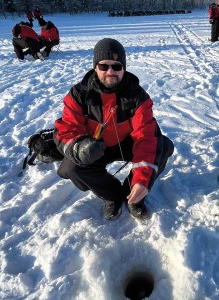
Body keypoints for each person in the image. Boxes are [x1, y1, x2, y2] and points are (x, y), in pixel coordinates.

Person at [54, 38, 174, 221]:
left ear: (124, 68)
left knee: (162, 145)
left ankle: (133, 195)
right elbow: (67, 130)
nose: (110, 72)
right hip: (95, 147)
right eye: (104, 66)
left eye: (117, 66)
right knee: (72, 166)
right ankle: (112, 196)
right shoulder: (79, 94)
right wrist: (79, 147)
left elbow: (146, 137)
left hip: (126, 143)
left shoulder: (138, 96)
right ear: (95, 67)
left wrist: (142, 180)